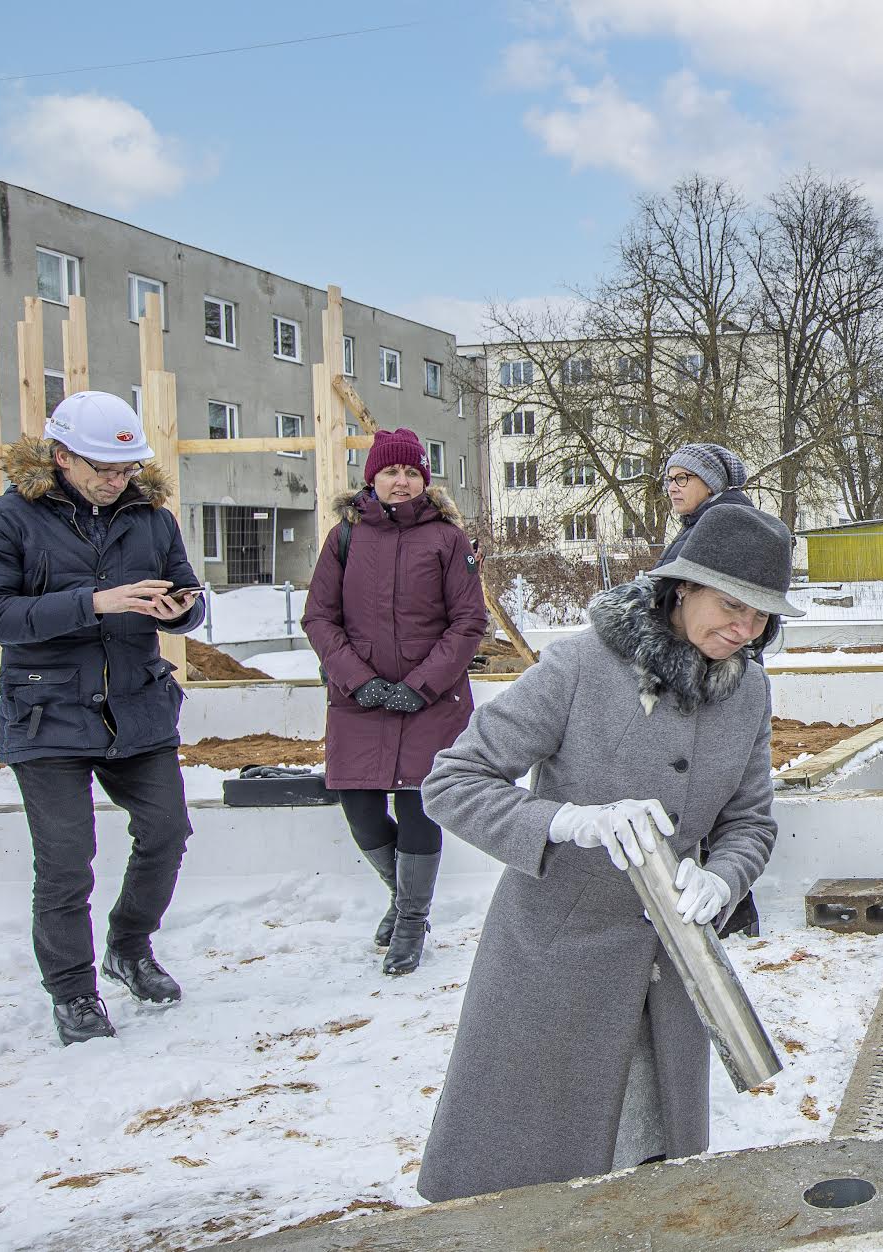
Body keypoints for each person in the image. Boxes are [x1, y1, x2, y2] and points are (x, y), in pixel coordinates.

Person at [416, 504, 798, 1201]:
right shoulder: (580, 666)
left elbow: (749, 821)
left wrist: (723, 877)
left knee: (651, 1175)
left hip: (670, 971)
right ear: (682, 587)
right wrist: (566, 821)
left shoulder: (748, 692)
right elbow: (452, 782)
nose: (744, 629)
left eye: (762, 616)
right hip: (558, 964)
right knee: (533, 1184)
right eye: (731, 606)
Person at [0, 392, 205, 1045]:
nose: (116, 479)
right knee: (67, 860)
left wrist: (176, 609)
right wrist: (91, 602)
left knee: (168, 832)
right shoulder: (2, 522)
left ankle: (129, 946)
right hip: (47, 713)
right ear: (61, 456)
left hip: (137, 707)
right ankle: (74, 993)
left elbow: (187, 593)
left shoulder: (151, 519)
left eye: (125, 468)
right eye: (102, 467)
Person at [301, 428, 486, 976]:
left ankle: (411, 919)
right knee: (359, 808)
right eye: (390, 473)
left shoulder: (448, 540)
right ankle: (401, 896)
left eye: (410, 473)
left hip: (431, 699)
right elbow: (318, 617)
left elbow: (468, 621)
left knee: (417, 806)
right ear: (372, 478)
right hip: (359, 698)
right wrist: (359, 681)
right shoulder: (344, 537)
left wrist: (420, 685)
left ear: (424, 479)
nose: (400, 482)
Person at [657, 442, 751, 564]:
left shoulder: (723, 530)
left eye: (681, 478)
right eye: (670, 480)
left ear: (710, 484)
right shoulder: (696, 524)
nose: (671, 488)